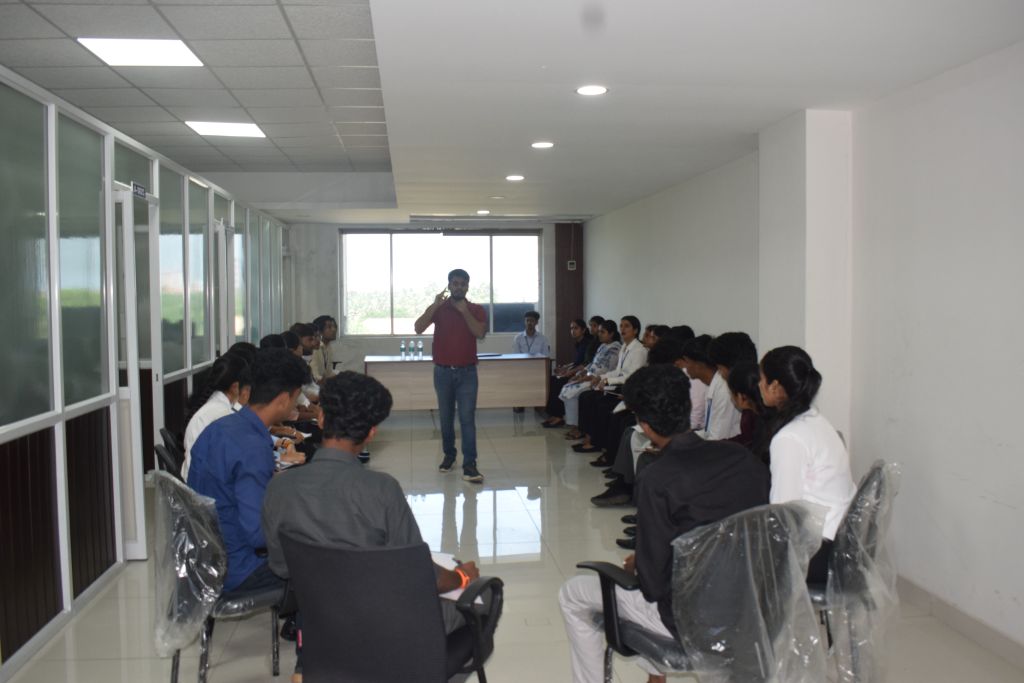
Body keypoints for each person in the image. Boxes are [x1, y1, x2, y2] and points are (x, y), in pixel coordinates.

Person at [559, 365, 770, 683]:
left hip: (689, 622)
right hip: (752, 610)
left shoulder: (657, 477)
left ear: (644, 424)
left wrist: (642, 563)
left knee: (573, 594)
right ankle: (655, 675)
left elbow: (654, 586)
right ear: (686, 405)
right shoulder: (743, 459)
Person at [261, 371, 482, 637]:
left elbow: (280, 566)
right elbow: (416, 572)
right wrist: (462, 577)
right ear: (371, 433)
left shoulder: (279, 487)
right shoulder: (381, 490)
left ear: (321, 418)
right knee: (484, 599)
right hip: (380, 621)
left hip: (318, 621)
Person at [187, 348, 310, 593]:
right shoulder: (252, 447)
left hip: (206, 556)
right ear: (284, 399)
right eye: (296, 397)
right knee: (325, 560)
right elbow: (258, 535)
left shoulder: (219, 428)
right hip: (239, 567)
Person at [759, 345, 857, 583]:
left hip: (819, 551)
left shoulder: (789, 438)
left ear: (774, 386)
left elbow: (783, 512)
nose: (758, 385)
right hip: (842, 540)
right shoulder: (816, 421)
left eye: (761, 379)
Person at [414, 268, 488, 483]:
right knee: (446, 419)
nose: (459, 287)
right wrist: (435, 305)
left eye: (463, 284)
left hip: (467, 373)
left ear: (467, 287)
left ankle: (470, 465)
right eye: (455, 283)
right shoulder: (440, 308)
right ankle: (449, 456)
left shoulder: (475, 309)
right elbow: (418, 327)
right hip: (442, 373)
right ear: (449, 285)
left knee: (467, 419)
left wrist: (464, 312)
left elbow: (480, 333)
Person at [181, 353, 251, 480]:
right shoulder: (223, 414)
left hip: (196, 477)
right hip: (202, 484)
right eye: (247, 388)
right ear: (235, 387)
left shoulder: (214, 403)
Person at [561, 320, 621, 438]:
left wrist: (585, 378)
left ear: (611, 334)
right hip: (589, 376)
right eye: (599, 332)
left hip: (598, 380)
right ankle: (575, 425)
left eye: (602, 332)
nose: (599, 334)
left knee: (573, 392)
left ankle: (580, 428)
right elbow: (592, 363)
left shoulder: (615, 349)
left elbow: (607, 370)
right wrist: (580, 373)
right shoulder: (602, 346)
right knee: (567, 387)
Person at [680, 335, 741, 440]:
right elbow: (708, 431)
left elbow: (717, 438)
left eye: (687, 361)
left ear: (699, 364)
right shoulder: (712, 384)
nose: (685, 367)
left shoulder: (723, 389)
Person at [542, 318, 594, 428]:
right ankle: (553, 414)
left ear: (583, 330)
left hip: (582, 374)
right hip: (576, 371)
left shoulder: (588, 344)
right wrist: (565, 367)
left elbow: (585, 364)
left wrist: (569, 372)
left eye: (576, 328)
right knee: (552, 379)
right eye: (571, 328)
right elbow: (576, 362)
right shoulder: (578, 343)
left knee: (559, 382)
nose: (573, 331)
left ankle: (559, 416)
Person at [725, 361, 770, 462]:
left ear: (742, 397)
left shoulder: (763, 426)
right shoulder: (756, 413)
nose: (731, 397)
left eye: (731, 392)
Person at [310, 314, 339, 383]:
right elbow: (315, 377)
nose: (334, 329)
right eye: (329, 327)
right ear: (320, 332)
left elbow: (328, 373)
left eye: (334, 326)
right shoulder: (314, 348)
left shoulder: (328, 346)